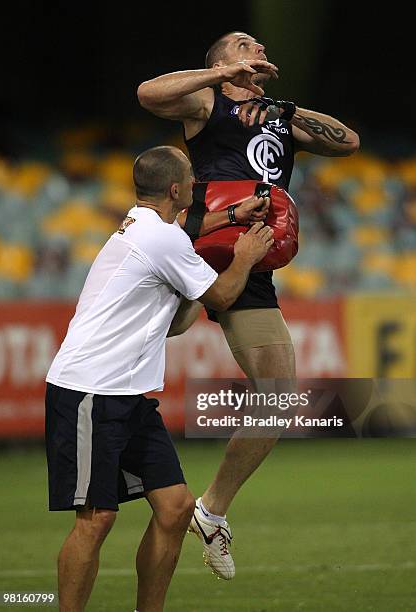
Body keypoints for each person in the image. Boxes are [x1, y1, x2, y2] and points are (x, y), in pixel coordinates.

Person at [137, 31, 360, 580]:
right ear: (218, 61)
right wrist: (221, 78)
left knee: (280, 397)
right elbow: (148, 94)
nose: (255, 47)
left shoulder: (283, 118)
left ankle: (210, 509)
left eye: (258, 46)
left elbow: (348, 141)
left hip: (249, 256)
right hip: (196, 239)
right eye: (243, 44)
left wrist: (281, 107)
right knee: (149, 333)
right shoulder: (206, 99)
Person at [44, 145, 274, 612]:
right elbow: (224, 295)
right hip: (90, 388)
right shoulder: (161, 240)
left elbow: (182, 241)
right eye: (192, 178)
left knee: (175, 508)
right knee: (96, 518)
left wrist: (231, 213)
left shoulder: (145, 224)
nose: (196, 185)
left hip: (127, 393)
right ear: (176, 189)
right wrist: (245, 255)